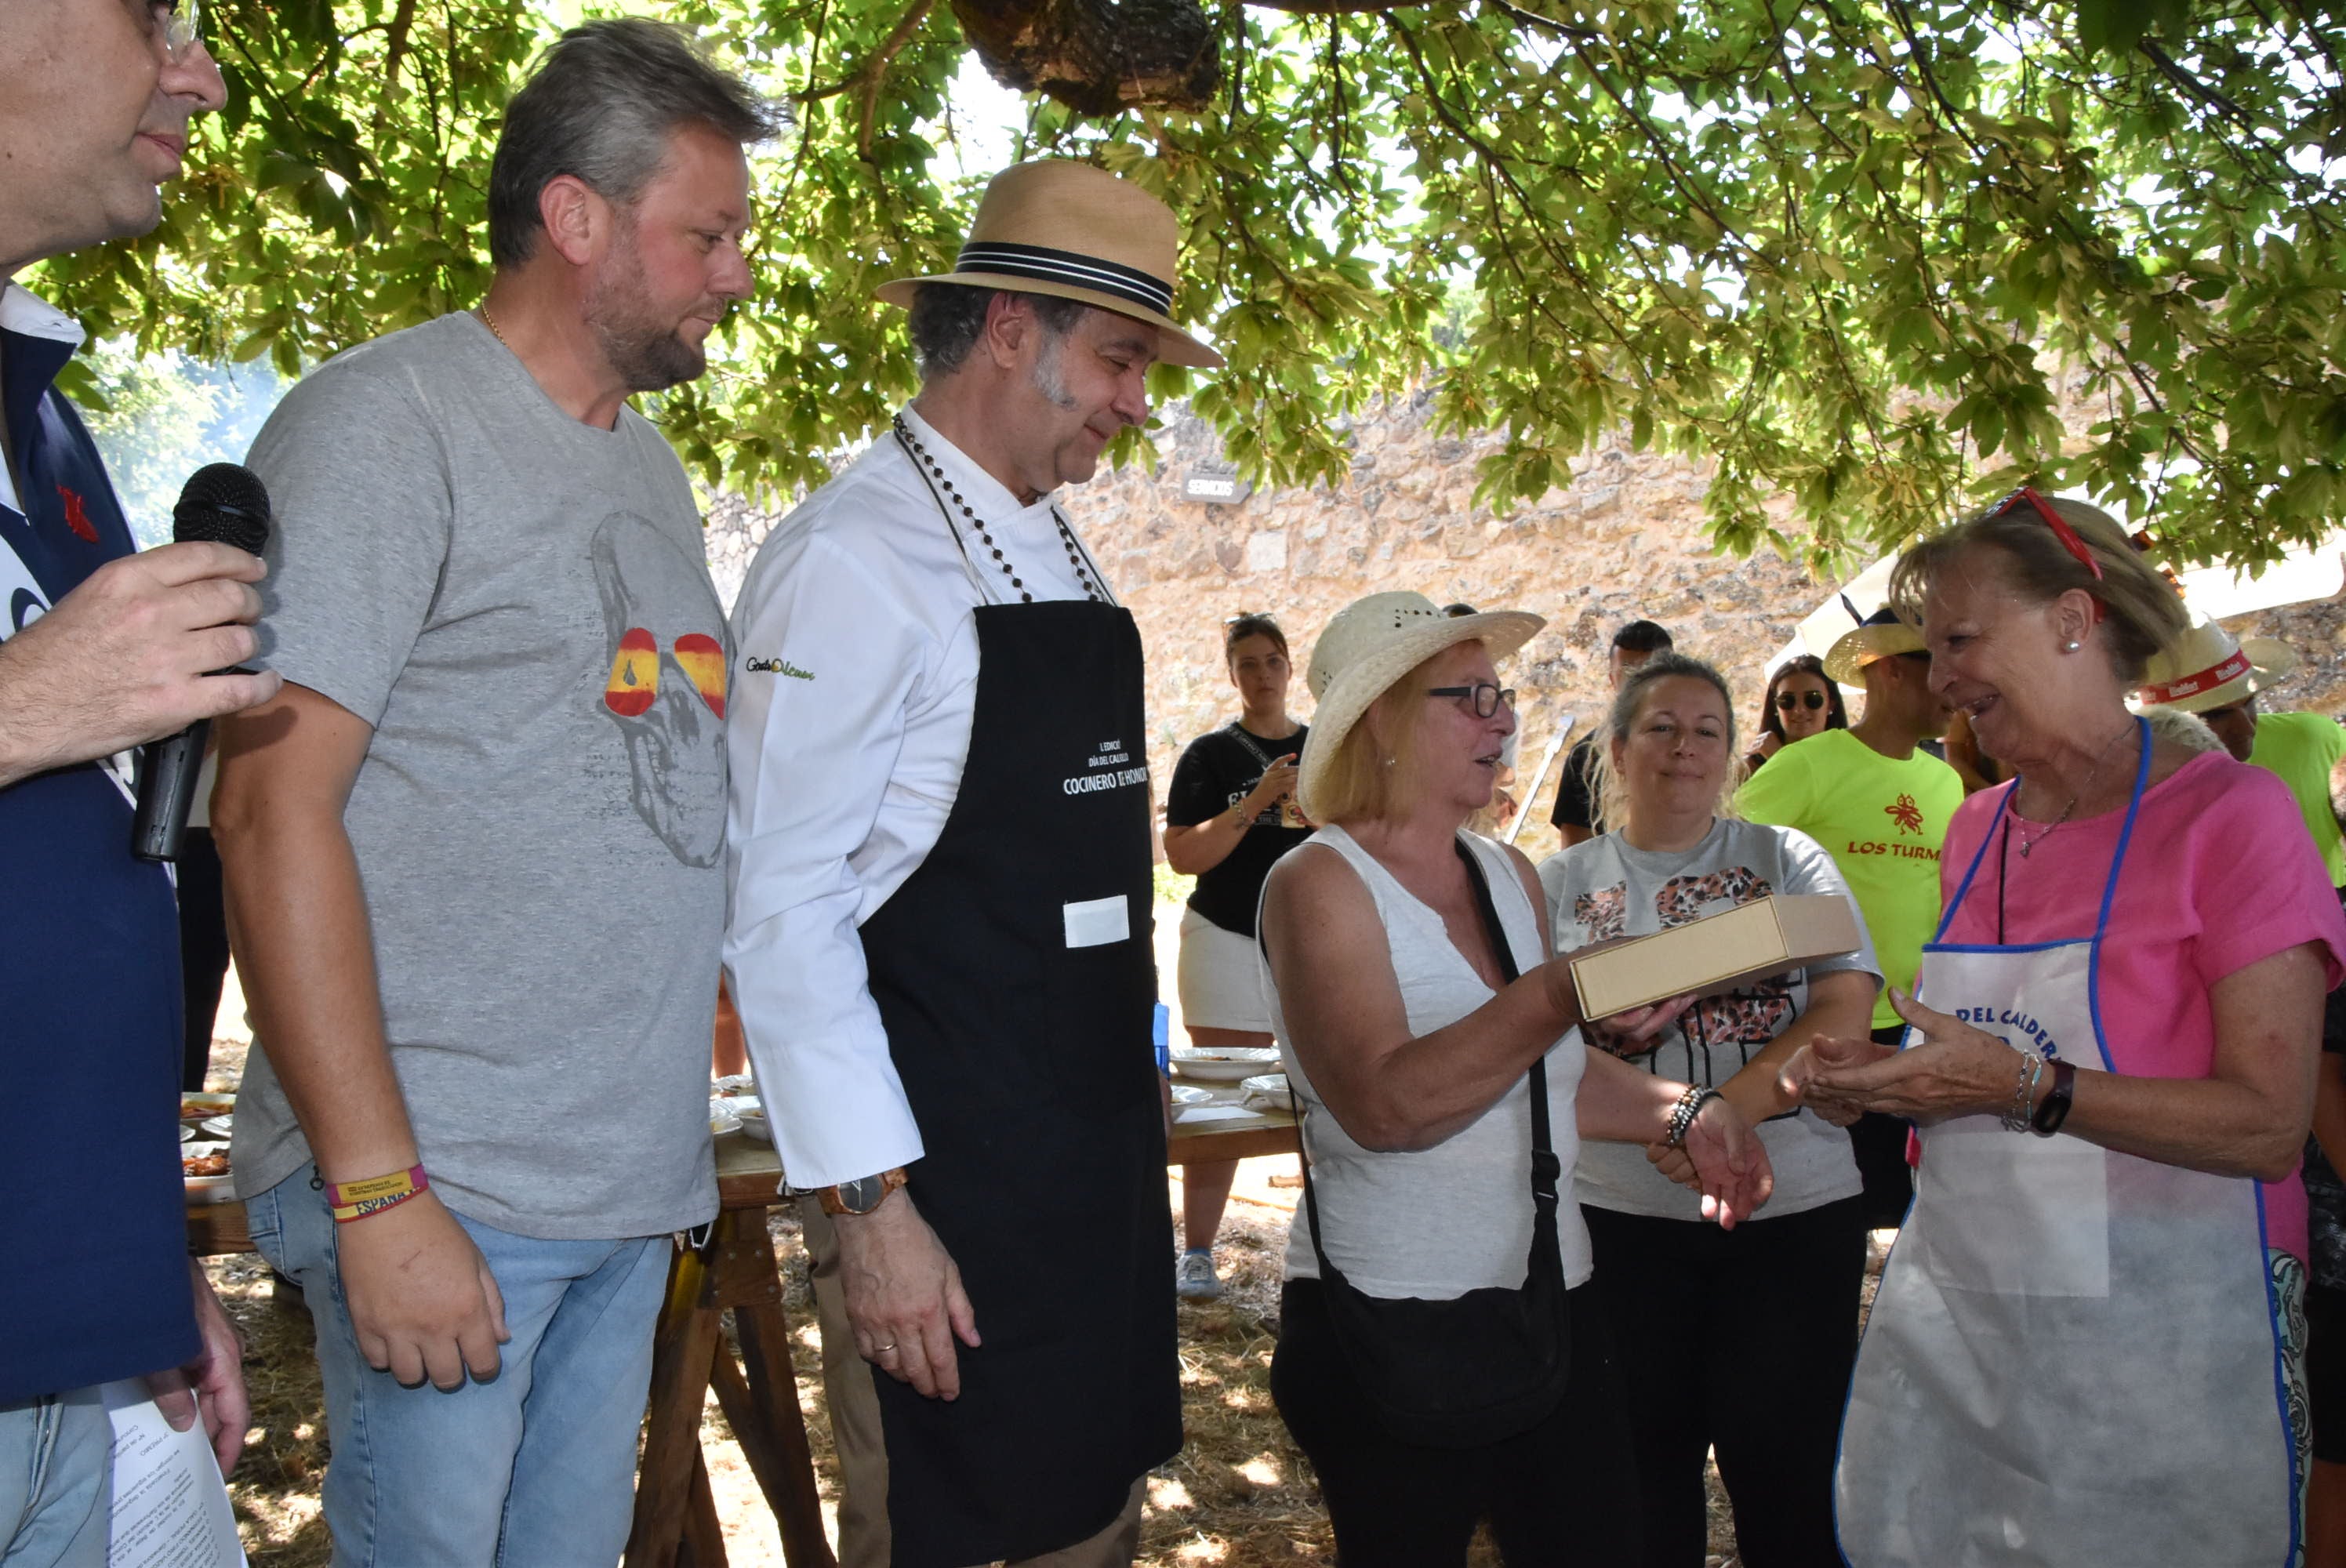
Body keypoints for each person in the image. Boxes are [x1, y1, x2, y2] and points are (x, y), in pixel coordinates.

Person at [210, 23, 773, 1563]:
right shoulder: (386, 426)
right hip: (444, 1188)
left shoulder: (645, 469)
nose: (736, 271)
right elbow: (264, 812)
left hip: (617, 1188)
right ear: (576, 218)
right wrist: (381, 1197)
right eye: (706, 233)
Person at [724, 160, 1221, 1568]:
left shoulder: (1056, 546)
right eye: (1121, 358)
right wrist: (873, 1215)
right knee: (960, 1529)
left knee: (1091, 1524)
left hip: (1089, 1172)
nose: (1139, 401)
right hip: (942, 1194)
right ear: (1011, 329)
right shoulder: (848, 562)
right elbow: (780, 911)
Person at [1797, 488, 2346, 1565]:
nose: (1941, 677)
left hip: (2182, 1321)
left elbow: (2267, 1128)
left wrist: (2022, 1087)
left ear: (2072, 622)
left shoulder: (2232, 818)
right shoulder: (1974, 829)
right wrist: (1880, 1076)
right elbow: (1969, 1055)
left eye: (1961, 638)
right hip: (1986, 1314)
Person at [1258, 591, 1774, 1567]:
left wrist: (1689, 1110)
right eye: (1473, 696)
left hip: (1551, 1294)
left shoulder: (1505, 872)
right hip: (1393, 1313)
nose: (1505, 719)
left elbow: (1543, 1081)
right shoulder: (1316, 882)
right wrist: (1559, 992)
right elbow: (1389, 1106)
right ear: (1385, 719)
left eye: (1503, 695)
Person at [0, 5, 268, 1559]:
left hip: (101, 1361)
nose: (200, 69)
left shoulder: (49, 423)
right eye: (149, 12)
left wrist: (141, 1259)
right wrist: (28, 702)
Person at [1545, 651, 1881, 1568]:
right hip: (1619, 1220)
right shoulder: (1555, 883)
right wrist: (1682, 1120)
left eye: (1707, 731)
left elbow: (1843, 1000)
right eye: (1659, 727)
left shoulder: (1784, 856)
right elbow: (1532, 1039)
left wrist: (1711, 1114)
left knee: (1787, 1474)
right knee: (1640, 1479)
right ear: (1616, 750)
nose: (1684, 748)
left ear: (1733, 753)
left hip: (1793, 1210)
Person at [1738, 603, 1963, 1230]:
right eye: (1937, 663)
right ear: (1889, 670)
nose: (1955, 681)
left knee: (1905, 1211)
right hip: (1823, 1029)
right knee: (1829, 1215)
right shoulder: (1806, 765)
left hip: (1913, 1025)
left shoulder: (1944, 782)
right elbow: (1725, 860)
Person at [1161, 611, 1311, 1300]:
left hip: (1310, 943)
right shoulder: (1208, 756)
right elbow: (1186, 855)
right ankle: (1197, 1250)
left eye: (1271, 660)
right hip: (1223, 938)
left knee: (1319, 1094)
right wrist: (1255, 801)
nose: (1261, 675)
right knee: (1222, 1103)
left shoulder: (1324, 748)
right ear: (1233, 675)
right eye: (1246, 664)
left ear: (1289, 666)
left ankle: (1322, 1247)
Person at [2139, 615, 2346, 891]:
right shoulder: (2139, 787)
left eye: (2250, 703)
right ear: (2163, 726)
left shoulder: (2312, 737)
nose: (2246, 727)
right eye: (2215, 715)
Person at [1550, 619, 1672, 844]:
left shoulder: (1696, 746)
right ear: (1612, 680)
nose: (1639, 683)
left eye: (1651, 672)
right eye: (1628, 673)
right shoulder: (1586, 757)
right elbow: (1575, 856)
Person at [1742, 652, 1845, 775]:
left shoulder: (1848, 762)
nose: (1799, 710)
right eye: (1787, 700)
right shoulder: (1750, 767)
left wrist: (1780, 759)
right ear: (1775, 706)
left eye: (1812, 699)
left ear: (1831, 705)